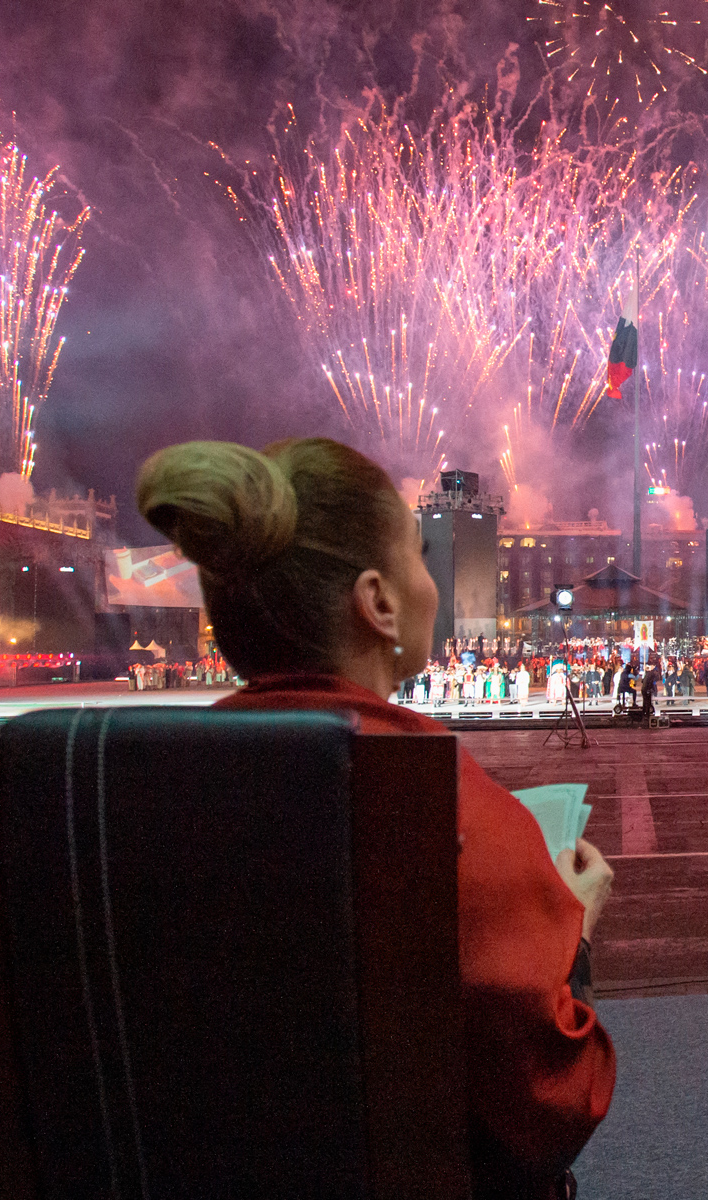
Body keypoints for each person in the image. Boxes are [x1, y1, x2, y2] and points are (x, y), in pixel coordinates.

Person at [136, 438, 615, 1199]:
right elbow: (555, 1104)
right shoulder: (443, 809)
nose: (431, 579)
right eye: (419, 555)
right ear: (379, 601)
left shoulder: (139, 790)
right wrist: (576, 938)